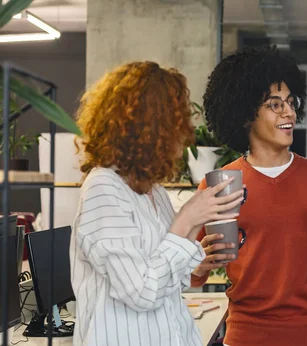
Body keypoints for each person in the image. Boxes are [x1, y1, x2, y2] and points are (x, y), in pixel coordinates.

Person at [190, 46, 307, 346]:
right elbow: (192, 276)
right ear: (247, 115)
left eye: (290, 102)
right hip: (244, 337)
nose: (288, 112)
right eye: (274, 105)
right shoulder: (217, 186)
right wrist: (200, 264)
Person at [70, 61, 245, 346]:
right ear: (149, 129)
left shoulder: (153, 191)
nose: (184, 135)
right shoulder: (103, 189)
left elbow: (166, 278)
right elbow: (142, 291)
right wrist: (187, 219)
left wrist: (197, 262)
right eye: (175, 124)